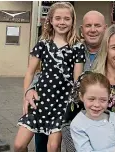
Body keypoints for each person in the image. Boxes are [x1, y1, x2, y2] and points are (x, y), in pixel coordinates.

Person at [26, 10, 107, 152]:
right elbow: (46, 70)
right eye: (88, 26)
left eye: (97, 25)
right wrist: (31, 88)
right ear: (82, 29)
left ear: (105, 28)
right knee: (44, 146)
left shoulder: (111, 52)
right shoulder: (71, 47)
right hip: (52, 105)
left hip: (92, 116)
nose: (92, 30)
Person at [14, 2, 85, 152]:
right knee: (19, 145)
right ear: (51, 21)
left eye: (67, 18)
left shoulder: (77, 47)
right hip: (40, 100)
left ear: (72, 21)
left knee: (53, 147)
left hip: (62, 102)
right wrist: (26, 94)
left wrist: (74, 106)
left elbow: (77, 80)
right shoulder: (42, 44)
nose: (62, 22)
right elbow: (30, 72)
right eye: (58, 18)